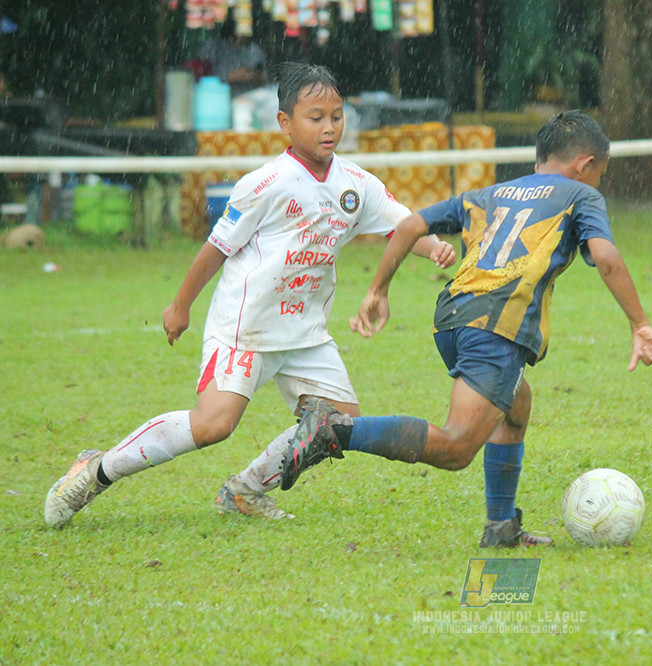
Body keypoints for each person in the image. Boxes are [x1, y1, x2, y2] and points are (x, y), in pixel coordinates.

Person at [43, 62, 456, 528]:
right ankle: (96, 468)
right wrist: (180, 306)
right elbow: (215, 250)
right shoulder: (266, 183)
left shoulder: (355, 185)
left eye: (337, 116)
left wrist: (433, 246)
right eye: (315, 117)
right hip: (245, 329)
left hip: (305, 333)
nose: (328, 127)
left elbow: (402, 227)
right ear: (285, 122)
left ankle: (245, 490)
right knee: (214, 425)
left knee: (338, 423)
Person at [278, 110, 652, 547]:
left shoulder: (491, 193)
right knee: (457, 447)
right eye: (601, 174)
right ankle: (335, 429)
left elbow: (409, 225)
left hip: (453, 318)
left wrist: (378, 290)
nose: (598, 183)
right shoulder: (581, 195)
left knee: (515, 407)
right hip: (496, 327)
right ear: (585, 165)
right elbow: (608, 259)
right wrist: (640, 324)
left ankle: (501, 527)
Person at [197, 16, 267, 96]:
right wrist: (230, 77)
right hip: (217, 96)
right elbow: (201, 76)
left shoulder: (254, 50)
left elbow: (265, 80)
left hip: (248, 98)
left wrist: (253, 75)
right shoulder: (214, 47)